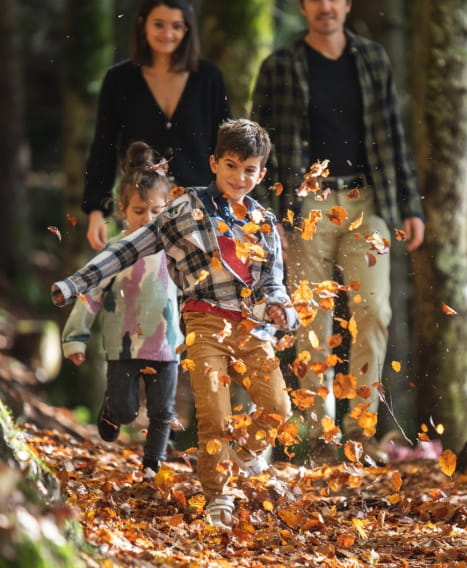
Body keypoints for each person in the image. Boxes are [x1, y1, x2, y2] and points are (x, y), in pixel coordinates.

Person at [52, 119, 298, 529]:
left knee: (278, 407)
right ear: (214, 162)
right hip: (204, 323)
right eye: (232, 165)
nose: (240, 177)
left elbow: (273, 281)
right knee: (214, 412)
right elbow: (129, 248)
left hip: (253, 327)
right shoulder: (185, 209)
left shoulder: (265, 222)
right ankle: (217, 494)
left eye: (250, 169)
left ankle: (237, 457)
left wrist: (279, 306)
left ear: (262, 174)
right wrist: (76, 283)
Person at [251, 0, 425, 465]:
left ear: (347, 4)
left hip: (366, 201)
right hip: (305, 205)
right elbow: (260, 149)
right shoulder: (281, 66)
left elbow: (393, 133)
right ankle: (320, 437)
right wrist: (269, 220)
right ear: (304, 6)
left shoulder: (371, 59)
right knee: (311, 318)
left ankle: (361, 435)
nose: (325, 6)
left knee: (374, 310)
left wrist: (410, 206)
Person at [62, 142, 181, 474]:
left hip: (167, 345)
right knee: (127, 412)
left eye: (157, 212)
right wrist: (75, 338)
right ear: (123, 210)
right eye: (139, 212)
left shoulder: (176, 251)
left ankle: (151, 468)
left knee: (162, 412)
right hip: (123, 346)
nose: (148, 220)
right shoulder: (113, 254)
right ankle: (112, 410)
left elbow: (197, 289)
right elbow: (89, 294)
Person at [83, 0, 230, 251]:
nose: (168, 34)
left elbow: (226, 147)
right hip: (141, 211)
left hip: (200, 210)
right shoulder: (119, 80)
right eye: (159, 25)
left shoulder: (209, 78)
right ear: (142, 24)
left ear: (187, 30)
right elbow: (103, 146)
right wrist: (96, 209)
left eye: (176, 26)